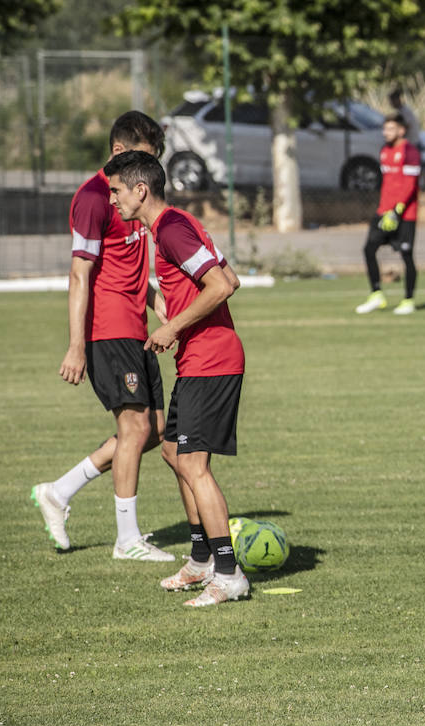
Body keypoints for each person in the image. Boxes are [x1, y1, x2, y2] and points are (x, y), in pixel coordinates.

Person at [103, 150, 249, 607]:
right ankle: (202, 558)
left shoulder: (169, 229)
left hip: (213, 361)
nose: (113, 202)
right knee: (171, 450)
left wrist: (172, 326)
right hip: (199, 359)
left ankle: (228, 573)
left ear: (139, 190)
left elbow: (221, 287)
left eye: (116, 192)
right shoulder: (179, 222)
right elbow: (232, 277)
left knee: (193, 465)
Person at [30, 111, 175, 561]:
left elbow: (130, 270)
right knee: (133, 426)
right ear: (120, 152)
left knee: (152, 429)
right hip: (107, 331)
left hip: (136, 328)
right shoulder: (96, 198)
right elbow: (80, 274)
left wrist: (164, 307)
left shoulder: (133, 198)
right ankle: (126, 540)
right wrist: (76, 346)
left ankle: (59, 490)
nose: (150, 177)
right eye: (145, 162)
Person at [354, 114, 421, 315]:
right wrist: (385, 210)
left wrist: (397, 211)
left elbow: (410, 185)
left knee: (406, 255)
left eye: (390, 129)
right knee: (368, 249)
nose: (386, 133)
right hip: (383, 211)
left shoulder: (410, 151)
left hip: (404, 214)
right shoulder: (384, 151)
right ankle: (376, 294)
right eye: (385, 129)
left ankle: (408, 300)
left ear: (402, 130)